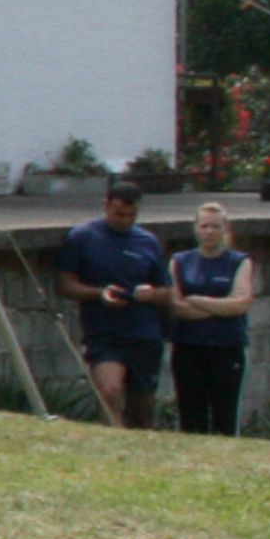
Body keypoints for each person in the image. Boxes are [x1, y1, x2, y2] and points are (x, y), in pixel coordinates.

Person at [53, 175, 170, 434]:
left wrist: (151, 294)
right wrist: (99, 294)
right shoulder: (82, 237)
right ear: (106, 206)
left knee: (142, 408)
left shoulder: (148, 242)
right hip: (104, 333)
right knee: (110, 390)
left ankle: (139, 446)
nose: (125, 221)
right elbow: (64, 285)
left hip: (144, 332)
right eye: (119, 214)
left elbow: (167, 292)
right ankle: (111, 438)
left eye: (131, 215)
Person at [164, 200, 257, 436]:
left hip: (227, 347)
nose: (209, 232)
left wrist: (198, 300)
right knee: (191, 416)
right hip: (189, 346)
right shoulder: (179, 261)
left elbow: (240, 304)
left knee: (225, 417)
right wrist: (220, 307)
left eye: (215, 226)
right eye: (204, 226)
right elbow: (177, 306)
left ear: (225, 229)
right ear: (195, 228)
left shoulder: (239, 261)